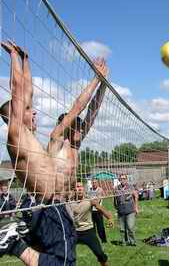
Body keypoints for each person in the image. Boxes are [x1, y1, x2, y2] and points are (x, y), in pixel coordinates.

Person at [0, 40, 77, 266]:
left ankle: (15, 241)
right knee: (62, 262)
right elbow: (18, 90)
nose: (32, 110)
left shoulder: (29, 135)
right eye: (26, 109)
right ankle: (12, 242)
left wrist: (26, 61)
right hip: (46, 204)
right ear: (13, 116)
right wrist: (13, 56)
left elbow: (28, 91)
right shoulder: (16, 134)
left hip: (52, 204)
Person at [47, 58, 108, 197]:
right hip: (52, 201)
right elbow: (78, 107)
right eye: (78, 127)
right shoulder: (57, 140)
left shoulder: (75, 145)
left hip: (68, 201)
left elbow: (92, 113)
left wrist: (103, 84)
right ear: (67, 127)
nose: (82, 130)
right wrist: (96, 79)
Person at [69, 182, 113, 266]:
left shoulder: (89, 201)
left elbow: (101, 209)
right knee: (66, 254)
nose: (80, 189)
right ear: (74, 190)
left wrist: (110, 218)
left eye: (81, 186)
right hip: (74, 232)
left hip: (88, 231)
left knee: (100, 255)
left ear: (84, 189)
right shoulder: (69, 202)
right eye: (77, 187)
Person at [114, 174, 139, 246]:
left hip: (130, 210)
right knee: (122, 229)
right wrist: (116, 207)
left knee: (130, 227)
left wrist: (136, 207)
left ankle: (133, 241)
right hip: (121, 211)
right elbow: (114, 199)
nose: (122, 180)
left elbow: (136, 197)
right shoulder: (116, 188)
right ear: (119, 180)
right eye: (121, 179)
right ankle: (124, 242)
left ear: (126, 179)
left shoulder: (131, 187)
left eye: (124, 178)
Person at [88, 179, 107, 243]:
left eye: (95, 182)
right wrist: (92, 201)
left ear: (97, 183)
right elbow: (88, 199)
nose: (94, 183)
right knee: (92, 227)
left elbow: (97, 201)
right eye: (93, 182)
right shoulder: (90, 190)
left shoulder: (100, 190)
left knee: (100, 227)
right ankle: (94, 240)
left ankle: (104, 240)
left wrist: (92, 201)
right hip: (91, 211)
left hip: (98, 210)